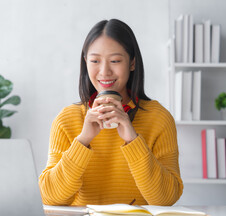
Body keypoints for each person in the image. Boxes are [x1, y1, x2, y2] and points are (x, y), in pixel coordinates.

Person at [39, 19, 183, 206]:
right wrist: (83, 140)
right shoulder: (67, 119)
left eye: (115, 61)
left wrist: (133, 140)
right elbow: (50, 198)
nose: (104, 71)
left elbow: (166, 199)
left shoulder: (158, 118)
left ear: (132, 63)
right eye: (95, 61)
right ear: (85, 63)